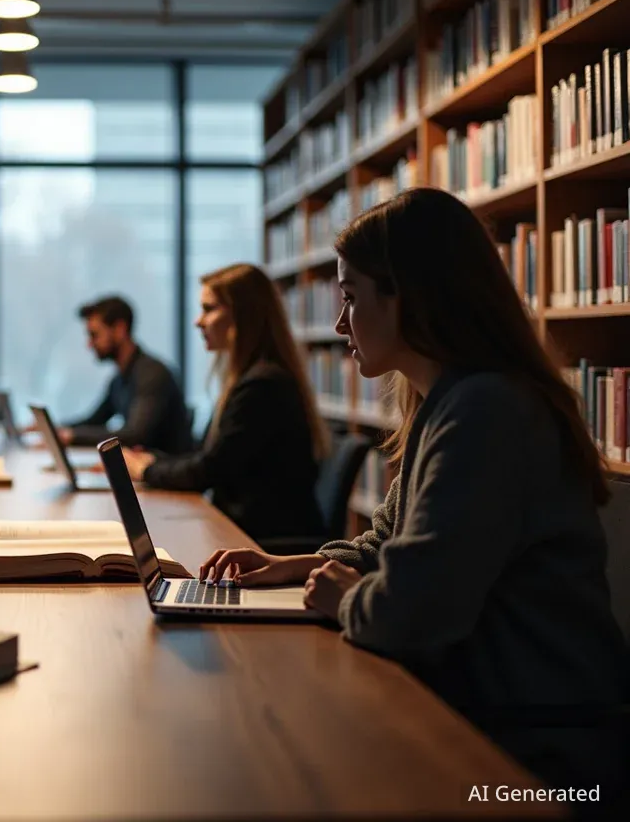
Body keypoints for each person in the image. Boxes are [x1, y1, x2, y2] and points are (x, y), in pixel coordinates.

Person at [199, 188, 630, 797]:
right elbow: (387, 542)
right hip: (490, 704)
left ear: (409, 295)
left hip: (539, 745)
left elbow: (411, 613)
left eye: (350, 297)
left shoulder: (487, 410)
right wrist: (295, 566)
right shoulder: (446, 401)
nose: (339, 323)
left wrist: (346, 596)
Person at [120, 266, 328, 542]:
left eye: (209, 309)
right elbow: (212, 456)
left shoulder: (262, 385)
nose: (198, 321)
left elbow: (210, 470)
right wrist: (154, 461)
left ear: (243, 316)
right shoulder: (251, 377)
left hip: (261, 543)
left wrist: (146, 470)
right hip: (241, 531)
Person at [55, 296, 192, 455]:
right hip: (145, 472)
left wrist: (72, 436)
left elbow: (134, 435)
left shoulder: (152, 374)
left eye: (94, 335)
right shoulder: (120, 379)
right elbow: (95, 420)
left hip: (164, 474)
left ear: (120, 329)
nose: (89, 344)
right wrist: (56, 429)